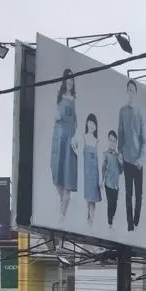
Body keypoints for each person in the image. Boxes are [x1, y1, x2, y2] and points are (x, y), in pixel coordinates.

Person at [49, 69, 77, 219]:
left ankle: (62, 216)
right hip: (59, 136)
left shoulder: (74, 99)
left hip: (70, 139)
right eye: (68, 79)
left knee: (68, 177)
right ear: (64, 80)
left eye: (72, 79)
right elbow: (56, 116)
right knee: (55, 172)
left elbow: (76, 121)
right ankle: (62, 202)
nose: (71, 82)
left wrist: (75, 137)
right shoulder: (59, 97)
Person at [118, 79, 145, 231]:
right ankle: (130, 225)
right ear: (127, 91)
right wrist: (120, 152)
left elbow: (144, 140)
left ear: (135, 93)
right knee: (128, 193)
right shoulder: (122, 111)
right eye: (128, 89)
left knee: (138, 194)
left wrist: (141, 158)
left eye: (132, 90)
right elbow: (120, 133)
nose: (130, 92)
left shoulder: (139, 113)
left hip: (138, 161)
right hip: (127, 158)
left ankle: (136, 220)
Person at [81, 113, 101, 226]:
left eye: (94, 123)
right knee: (88, 199)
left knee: (93, 200)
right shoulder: (83, 137)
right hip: (86, 174)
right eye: (90, 122)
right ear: (87, 123)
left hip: (95, 175)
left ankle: (91, 221)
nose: (92, 125)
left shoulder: (97, 141)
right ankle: (88, 219)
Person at [102, 130, 122, 229]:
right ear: (108, 141)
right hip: (108, 183)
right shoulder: (105, 154)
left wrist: (121, 162)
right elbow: (103, 168)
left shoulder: (118, 156)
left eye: (114, 141)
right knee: (110, 203)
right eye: (110, 140)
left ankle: (111, 220)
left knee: (114, 204)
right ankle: (109, 223)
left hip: (116, 185)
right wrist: (101, 181)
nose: (112, 142)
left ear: (116, 142)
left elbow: (121, 171)